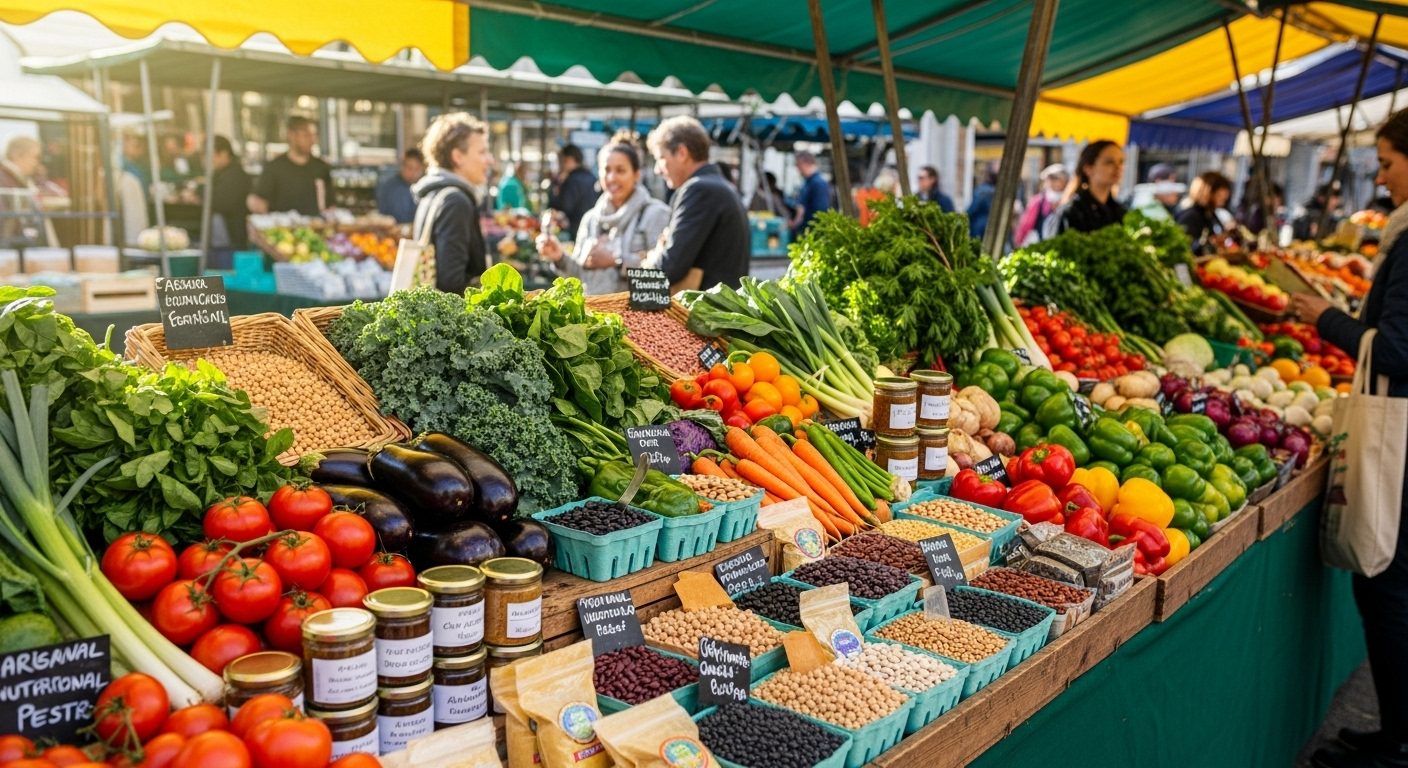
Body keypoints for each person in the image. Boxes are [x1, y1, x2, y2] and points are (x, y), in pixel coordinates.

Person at [1296, 108, 1408, 768]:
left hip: (1399, 428)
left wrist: (1325, 316)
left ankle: (1396, 744)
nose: (1382, 174)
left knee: (1388, 582)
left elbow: (1396, 348)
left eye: (1389, 162)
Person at [535, 134, 670, 295]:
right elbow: (579, 275)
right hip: (592, 315)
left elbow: (664, 274)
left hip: (634, 318)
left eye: (620, 171)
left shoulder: (655, 214)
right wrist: (558, 256)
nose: (612, 178)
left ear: (636, 175)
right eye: (606, 170)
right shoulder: (591, 219)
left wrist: (618, 262)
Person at [640, 115, 750, 291]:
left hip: (703, 313)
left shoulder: (699, 189)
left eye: (661, 158)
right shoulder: (720, 187)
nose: (657, 169)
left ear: (682, 153)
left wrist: (646, 269)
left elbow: (670, 267)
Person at [411, 112, 493, 295]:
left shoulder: (434, 193)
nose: (490, 160)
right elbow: (451, 284)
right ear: (458, 156)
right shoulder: (455, 202)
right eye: (482, 152)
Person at [247, 116, 333, 217]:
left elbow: (331, 204)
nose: (312, 140)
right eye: (306, 135)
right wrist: (256, 204)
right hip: (282, 229)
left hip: (316, 227)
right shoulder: (274, 167)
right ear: (291, 135)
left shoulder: (321, 167)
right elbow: (256, 199)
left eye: (314, 135)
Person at [1043, 140, 1127, 238]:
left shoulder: (1120, 212)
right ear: (1088, 168)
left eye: (1121, 162)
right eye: (1109, 162)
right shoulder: (1071, 213)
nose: (1118, 168)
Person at [0, 136, 56, 248]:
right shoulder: (5, 180)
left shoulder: (17, 179)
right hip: (12, 248)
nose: (37, 163)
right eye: (35, 157)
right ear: (16, 156)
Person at [207, 136, 252, 250]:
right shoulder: (220, 173)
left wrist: (199, 196)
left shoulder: (236, 176)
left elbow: (222, 202)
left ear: (224, 153)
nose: (208, 159)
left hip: (233, 238)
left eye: (211, 154)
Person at [1175, 171, 1233, 255]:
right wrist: (1210, 242)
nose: (1225, 196)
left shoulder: (1210, 215)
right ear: (1208, 192)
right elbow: (1186, 247)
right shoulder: (1191, 216)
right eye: (1220, 195)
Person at [548, 144, 598, 238]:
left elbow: (565, 207)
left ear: (569, 159)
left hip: (575, 230)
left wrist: (555, 191)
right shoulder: (592, 177)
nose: (561, 164)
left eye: (562, 160)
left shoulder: (572, 180)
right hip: (593, 229)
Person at [1013, 163, 1068, 246]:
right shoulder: (1038, 201)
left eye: (1056, 179)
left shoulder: (1070, 200)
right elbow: (1026, 225)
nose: (1053, 183)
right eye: (1050, 179)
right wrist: (1018, 243)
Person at [375, 149, 425, 224]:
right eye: (409, 168)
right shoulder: (388, 187)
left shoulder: (426, 187)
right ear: (402, 166)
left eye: (417, 169)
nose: (413, 173)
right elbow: (384, 217)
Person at [790, 151, 832, 239]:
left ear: (803, 164)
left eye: (798, 166)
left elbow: (820, 211)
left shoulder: (818, 183)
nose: (798, 170)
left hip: (812, 233)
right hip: (806, 231)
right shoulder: (808, 182)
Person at [967, 164, 998, 239]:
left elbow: (973, 209)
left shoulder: (981, 191)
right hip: (993, 225)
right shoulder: (997, 192)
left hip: (978, 225)